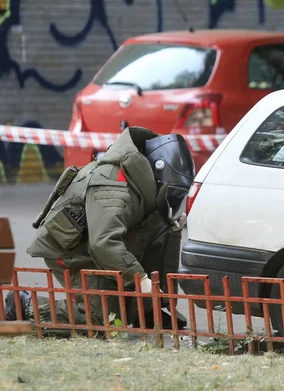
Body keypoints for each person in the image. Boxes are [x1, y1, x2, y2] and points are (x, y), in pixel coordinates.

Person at [4, 127, 194, 332]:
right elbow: (103, 243)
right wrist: (139, 278)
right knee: (102, 319)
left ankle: (147, 310)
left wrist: (172, 232)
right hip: (72, 249)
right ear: (157, 174)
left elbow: (150, 239)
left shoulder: (142, 185)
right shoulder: (114, 186)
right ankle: (24, 305)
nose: (174, 198)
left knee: (161, 227)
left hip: (98, 244)